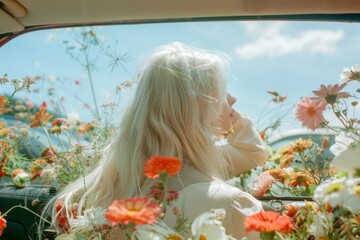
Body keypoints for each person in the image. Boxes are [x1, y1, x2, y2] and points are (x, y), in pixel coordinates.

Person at [42, 42, 268, 239]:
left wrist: (224, 110)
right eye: (222, 91)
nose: (232, 98)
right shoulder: (227, 206)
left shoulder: (117, 179)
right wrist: (233, 116)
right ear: (198, 108)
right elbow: (254, 151)